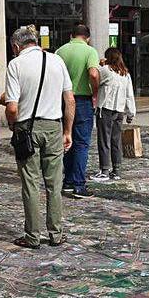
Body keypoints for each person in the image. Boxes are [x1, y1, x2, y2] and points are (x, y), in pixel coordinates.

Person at [3, 25, 75, 249]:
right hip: (54, 126)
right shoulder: (56, 60)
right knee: (54, 184)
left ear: (16, 46)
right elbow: (70, 100)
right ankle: (56, 233)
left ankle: (32, 236)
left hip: (27, 128)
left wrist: (14, 127)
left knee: (30, 184)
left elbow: (12, 108)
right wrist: (67, 131)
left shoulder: (15, 65)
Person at [56, 24, 101, 197]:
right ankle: (79, 184)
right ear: (87, 37)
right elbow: (94, 74)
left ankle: (67, 181)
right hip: (82, 99)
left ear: (71, 35)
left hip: (63, 99)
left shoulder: (60, 51)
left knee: (68, 138)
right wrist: (95, 92)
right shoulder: (90, 51)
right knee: (82, 143)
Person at [91, 47, 136, 182]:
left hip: (106, 109)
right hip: (119, 110)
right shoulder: (125, 74)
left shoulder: (105, 70)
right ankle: (116, 170)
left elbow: (94, 75)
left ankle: (104, 169)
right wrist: (131, 112)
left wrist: (100, 64)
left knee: (104, 140)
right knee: (115, 140)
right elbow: (129, 95)